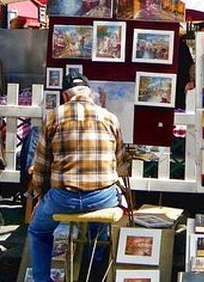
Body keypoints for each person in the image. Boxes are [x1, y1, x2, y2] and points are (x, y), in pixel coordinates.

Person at [27, 73, 129, 282]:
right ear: (90, 93)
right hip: (102, 197)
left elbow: (41, 167)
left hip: (64, 197)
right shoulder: (110, 118)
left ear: (66, 96)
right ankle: (94, 271)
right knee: (99, 229)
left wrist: (40, 195)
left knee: (38, 231)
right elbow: (120, 162)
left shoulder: (53, 116)